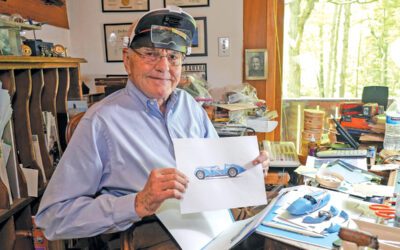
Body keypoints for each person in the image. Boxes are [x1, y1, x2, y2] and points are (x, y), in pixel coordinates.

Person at [35, 7, 269, 249]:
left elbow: (215, 171)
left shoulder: (190, 106)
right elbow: (52, 218)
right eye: (150, 54)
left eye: (173, 57)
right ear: (127, 59)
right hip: (150, 229)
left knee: (276, 231)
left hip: (212, 217)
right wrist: (138, 203)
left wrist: (247, 170)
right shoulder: (99, 122)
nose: (164, 67)